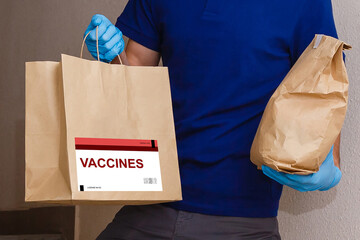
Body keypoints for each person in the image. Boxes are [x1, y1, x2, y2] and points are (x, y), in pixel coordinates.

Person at [84, 0, 343, 239]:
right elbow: (134, 74)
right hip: (150, 205)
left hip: (244, 222)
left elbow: (325, 85)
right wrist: (111, 55)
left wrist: (327, 168)